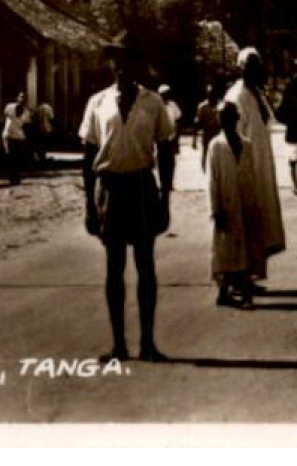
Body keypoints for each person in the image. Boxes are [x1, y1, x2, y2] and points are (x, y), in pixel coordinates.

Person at [80, 35, 177, 363]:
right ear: (111, 64)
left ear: (137, 65)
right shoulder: (97, 102)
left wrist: (165, 196)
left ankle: (147, 343)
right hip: (109, 188)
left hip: (141, 187)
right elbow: (89, 155)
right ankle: (119, 344)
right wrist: (90, 205)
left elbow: (166, 150)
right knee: (113, 267)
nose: (121, 66)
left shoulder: (153, 103)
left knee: (145, 266)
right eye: (116, 60)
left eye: (128, 60)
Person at [222, 49, 287, 292]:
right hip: (245, 169)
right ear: (241, 68)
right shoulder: (237, 95)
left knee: (256, 222)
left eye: (258, 64)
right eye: (250, 64)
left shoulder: (255, 93)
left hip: (260, 165)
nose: (256, 69)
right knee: (242, 222)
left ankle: (247, 275)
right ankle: (235, 279)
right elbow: (232, 135)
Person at [206, 102, 255, 308]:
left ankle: (240, 288)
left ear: (237, 119)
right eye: (223, 117)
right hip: (224, 203)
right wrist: (215, 209)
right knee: (224, 249)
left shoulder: (247, 145)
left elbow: (251, 177)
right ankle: (225, 290)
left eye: (231, 117)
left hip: (244, 202)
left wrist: (253, 206)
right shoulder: (216, 146)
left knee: (244, 247)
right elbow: (212, 180)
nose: (227, 121)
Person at [2, 92, 32, 184]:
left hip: (19, 137)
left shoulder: (27, 112)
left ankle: (17, 176)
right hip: (8, 135)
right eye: (21, 97)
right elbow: (4, 118)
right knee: (11, 157)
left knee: (18, 158)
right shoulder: (9, 107)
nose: (22, 99)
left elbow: (26, 126)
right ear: (17, 98)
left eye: (24, 97)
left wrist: (26, 139)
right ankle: (12, 176)